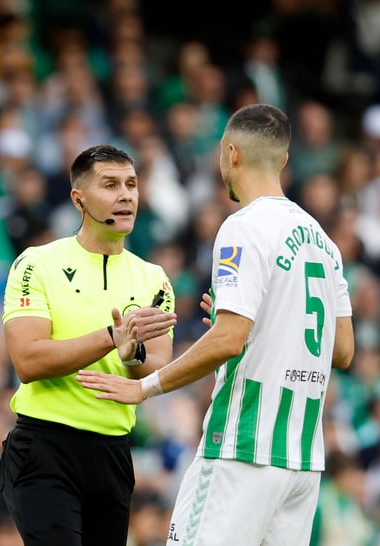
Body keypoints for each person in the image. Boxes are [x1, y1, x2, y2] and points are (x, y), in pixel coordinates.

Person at [77, 104, 355, 545]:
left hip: (242, 448)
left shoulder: (243, 227)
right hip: (301, 462)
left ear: (231, 154)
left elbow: (228, 340)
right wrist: (253, 324)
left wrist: (143, 387)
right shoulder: (324, 241)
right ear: (283, 160)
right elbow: (342, 351)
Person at [0, 144, 178, 545]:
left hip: (113, 452)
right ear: (79, 199)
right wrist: (111, 338)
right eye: (110, 185)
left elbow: (158, 369)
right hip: (45, 446)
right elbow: (28, 361)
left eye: (131, 184)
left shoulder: (154, 279)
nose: (126, 195)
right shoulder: (36, 263)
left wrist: (134, 354)